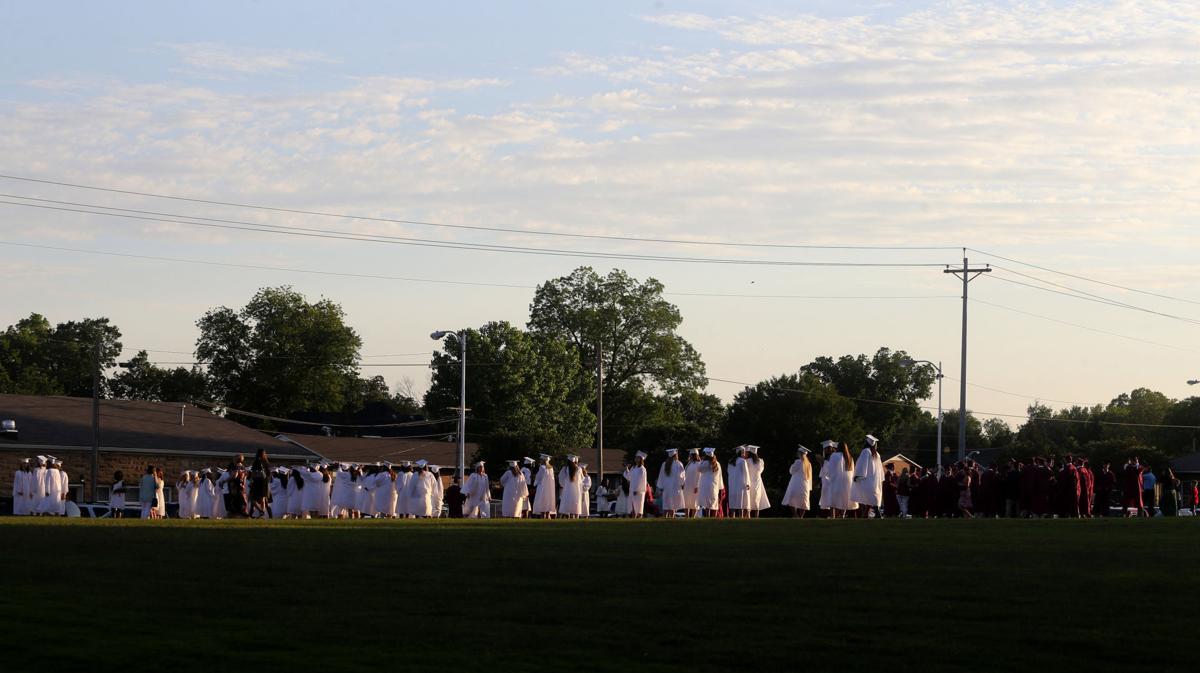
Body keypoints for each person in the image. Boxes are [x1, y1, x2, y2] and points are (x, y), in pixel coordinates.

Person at [851, 434, 884, 517]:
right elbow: (880, 471)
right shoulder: (877, 454)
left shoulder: (866, 451)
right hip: (875, 481)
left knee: (867, 499)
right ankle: (867, 515)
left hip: (867, 481)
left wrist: (857, 476)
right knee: (871, 500)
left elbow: (862, 466)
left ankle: (875, 515)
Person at [827, 443, 857, 518]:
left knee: (834, 499)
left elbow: (830, 469)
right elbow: (853, 471)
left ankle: (833, 516)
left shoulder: (834, 456)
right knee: (845, 498)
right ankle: (843, 515)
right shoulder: (850, 458)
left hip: (837, 479)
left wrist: (830, 477)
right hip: (848, 480)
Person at [781, 446, 813, 518]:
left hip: (796, 483)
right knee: (803, 501)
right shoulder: (809, 464)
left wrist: (792, 465)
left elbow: (791, 471)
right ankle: (800, 517)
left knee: (791, 498)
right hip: (805, 484)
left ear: (800, 454)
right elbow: (810, 477)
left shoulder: (798, 462)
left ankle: (795, 515)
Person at [657, 448, 686, 518]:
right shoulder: (678, 464)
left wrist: (661, 487)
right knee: (672, 504)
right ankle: (672, 518)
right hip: (675, 487)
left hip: (666, 487)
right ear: (676, 455)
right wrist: (682, 484)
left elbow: (661, 476)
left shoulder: (664, 464)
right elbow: (682, 476)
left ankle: (665, 518)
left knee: (666, 504)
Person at [726, 446, 751, 519]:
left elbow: (728, 471)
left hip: (732, 483)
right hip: (741, 483)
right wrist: (747, 483)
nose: (744, 454)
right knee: (741, 501)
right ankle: (741, 516)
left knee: (733, 501)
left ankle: (733, 516)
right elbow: (746, 473)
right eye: (743, 452)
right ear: (740, 453)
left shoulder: (730, 461)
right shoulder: (743, 461)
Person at [697, 448, 722, 517]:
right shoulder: (717, 464)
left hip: (705, 485)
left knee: (707, 502)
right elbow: (720, 476)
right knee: (714, 502)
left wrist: (701, 460)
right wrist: (720, 487)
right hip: (714, 486)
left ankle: (707, 516)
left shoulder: (705, 463)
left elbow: (698, 469)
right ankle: (714, 517)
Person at [745, 445, 769, 518]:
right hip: (757, 481)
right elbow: (761, 471)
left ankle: (748, 515)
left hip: (749, 480)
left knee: (748, 498)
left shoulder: (747, 461)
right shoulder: (761, 461)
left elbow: (746, 471)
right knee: (757, 498)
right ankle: (756, 516)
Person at [558, 455, 584, 519]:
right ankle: (576, 517)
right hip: (576, 489)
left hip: (568, 489)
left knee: (568, 502)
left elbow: (560, 478)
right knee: (576, 502)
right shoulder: (579, 469)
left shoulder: (564, 469)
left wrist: (564, 485)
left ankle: (569, 516)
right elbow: (582, 479)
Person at [625, 451, 649, 518]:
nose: (635, 458)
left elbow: (642, 481)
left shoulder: (642, 469)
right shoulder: (633, 468)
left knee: (639, 507)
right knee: (632, 506)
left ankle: (639, 519)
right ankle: (633, 519)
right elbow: (629, 477)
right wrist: (627, 469)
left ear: (640, 459)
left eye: (637, 457)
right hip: (632, 489)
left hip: (639, 491)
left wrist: (637, 490)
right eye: (635, 457)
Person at [532, 454, 557, 519]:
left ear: (543, 460)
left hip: (542, 486)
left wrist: (535, 483)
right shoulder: (551, 468)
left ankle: (543, 515)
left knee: (542, 499)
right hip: (549, 488)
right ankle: (548, 515)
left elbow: (539, 477)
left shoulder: (542, 467)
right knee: (548, 500)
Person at [248, 449, 271, 518]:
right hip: (265, 482)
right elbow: (269, 473)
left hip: (257, 481)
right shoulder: (266, 462)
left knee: (252, 498)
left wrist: (251, 480)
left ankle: (261, 511)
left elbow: (254, 472)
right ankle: (262, 514)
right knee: (262, 499)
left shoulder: (257, 461)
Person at [683, 448, 702, 518]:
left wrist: (697, 486)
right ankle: (686, 516)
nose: (689, 455)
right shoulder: (689, 463)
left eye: (690, 454)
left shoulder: (699, 464)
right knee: (686, 501)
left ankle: (693, 517)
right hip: (687, 485)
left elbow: (700, 476)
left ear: (693, 455)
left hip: (695, 485)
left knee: (694, 502)